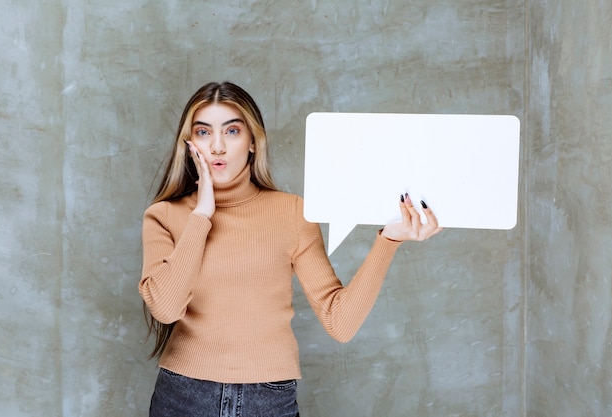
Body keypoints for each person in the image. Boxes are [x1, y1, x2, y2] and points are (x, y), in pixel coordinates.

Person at [139, 81, 442, 417]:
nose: (218, 147)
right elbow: (165, 309)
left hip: (268, 400)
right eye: (204, 132)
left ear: (253, 142)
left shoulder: (292, 213)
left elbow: (339, 323)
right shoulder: (165, 215)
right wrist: (201, 216)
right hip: (184, 396)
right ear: (190, 143)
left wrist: (389, 240)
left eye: (233, 131)